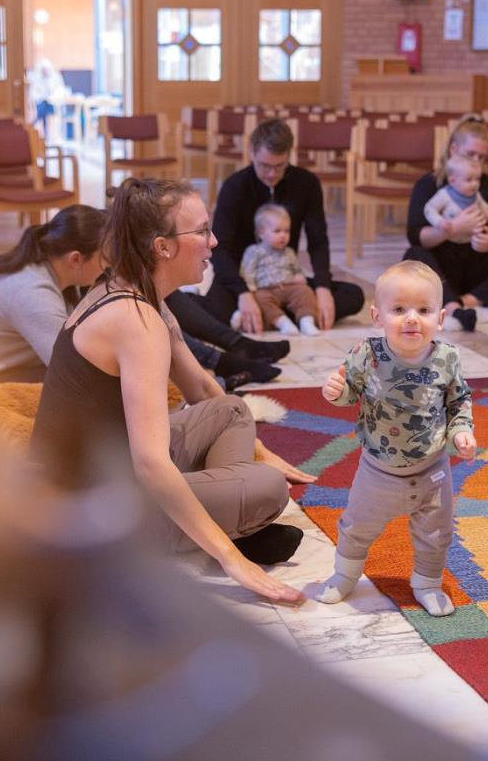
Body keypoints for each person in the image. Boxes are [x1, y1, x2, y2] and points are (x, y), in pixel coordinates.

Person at [29, 177, 306, 605]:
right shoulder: (135, 322)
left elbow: (199, 385)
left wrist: (264, 450)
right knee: (269, 487)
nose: (213, 242)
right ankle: (224, 529)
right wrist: (234, 560)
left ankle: (217, 515)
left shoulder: (136, 290)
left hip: (112, 467)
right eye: (201, 232)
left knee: (232, 409)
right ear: (163, 247)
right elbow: (151, 464)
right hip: (92, 507)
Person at [315, 261, 477, 617]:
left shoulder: (447, 358)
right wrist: (335, 392)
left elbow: (458, 401)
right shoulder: (367, 355)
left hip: (432, 470)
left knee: (436, 533)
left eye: (423, 310)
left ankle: (427, 582)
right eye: (399, 309)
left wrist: (461, 431)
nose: (411, 319)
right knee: (357, 525)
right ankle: (344, 574)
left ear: (441, 317)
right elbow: (349, 394)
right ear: (377, 316)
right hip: (377, 471)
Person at [194, 118, 365, 335]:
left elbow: (318, 240)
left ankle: (272, 316)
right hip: (245, 279)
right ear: (252, 153)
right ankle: (290, 315)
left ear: (289, 156)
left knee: (353, 295)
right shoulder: (235, 186)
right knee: (215, 308)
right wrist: (244, 294)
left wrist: (322, 288)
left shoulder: (307, 183)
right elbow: (220, 248)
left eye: (279, 166)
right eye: (265, 166)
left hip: (286, 281)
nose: (272, 174)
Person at [403, 117, 488, 332]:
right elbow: (416, 236)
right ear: (453, 149)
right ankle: (451, 305)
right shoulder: (429, 184)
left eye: (482, 157)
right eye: (471, 154)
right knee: (414, 256)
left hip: (480, 264)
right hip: (444, 265)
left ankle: (469, 300)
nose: (477, 161)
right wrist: (453, 229)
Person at [0, 205, 109, 383]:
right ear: (75, 259)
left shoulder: (38, 264)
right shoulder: (33, 293)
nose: (109, 265)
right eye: (105, 258)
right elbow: (72, 369)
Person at [239, 204, 320, 335]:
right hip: (266, 290)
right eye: (277, 231)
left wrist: (301, 278)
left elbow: (297, 269)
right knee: (260, 300)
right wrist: (251, 288)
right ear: (261, 233)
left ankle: (306, 321)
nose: (283, 235)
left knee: (306, 292)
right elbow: (247, 271)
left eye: (286, 231)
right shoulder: (254, 251)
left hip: (289, 286)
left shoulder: (288, 252)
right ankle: (283, 323)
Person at [423, 153, 488, 238]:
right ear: (452, 181)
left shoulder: (475, 194)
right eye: (468, 180)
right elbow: (429, 209)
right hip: (451, 239)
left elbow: (484, 206)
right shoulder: (444, 195)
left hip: (473, 240)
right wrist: (439, 222)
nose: (475, 184)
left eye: (477, 179)